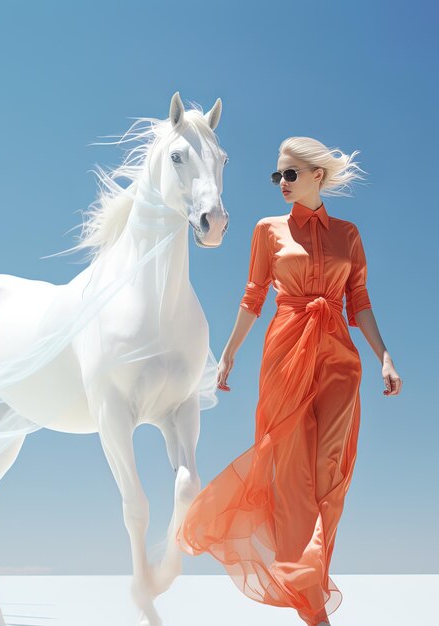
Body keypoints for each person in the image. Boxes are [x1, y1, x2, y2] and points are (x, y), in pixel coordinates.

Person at [177, 136, 402, 625]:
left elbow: (359, 300)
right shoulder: (267, 230)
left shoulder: (349, 233)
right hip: (285, 351)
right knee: (293, 475)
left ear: (317, 176)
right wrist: (230, 352)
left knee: (330, 473)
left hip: (340, 356)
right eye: (277, 175)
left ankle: (310, 578)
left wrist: (384, 356)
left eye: (291, 174)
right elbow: (253, 295)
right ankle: (312, 605)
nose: (281, 182)